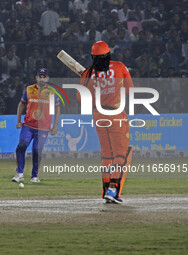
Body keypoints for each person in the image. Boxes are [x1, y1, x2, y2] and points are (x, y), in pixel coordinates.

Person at [77, 41, 133, 204]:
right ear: (109, 55)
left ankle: (106, 190)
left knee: (106, 153)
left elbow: (80, 98)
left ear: (92, 57)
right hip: (115, 112)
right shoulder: (119, 67)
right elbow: (129, 90)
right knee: (120, 154)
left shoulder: (88, 73)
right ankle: (113, 189)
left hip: (98, 114)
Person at [12, 68, 60, 183]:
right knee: (22, 145)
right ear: (36, 78)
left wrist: (55, 126)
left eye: (44, 76)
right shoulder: (28, 89)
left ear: (47, 78)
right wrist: (18, 120)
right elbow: (21, 104)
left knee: (36, 151)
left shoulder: (52, 92)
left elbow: (57, 109)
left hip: (43, 128)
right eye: (40, 76)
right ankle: (19, 173)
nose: (42, 78)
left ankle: (35, 176)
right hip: (28, 125)